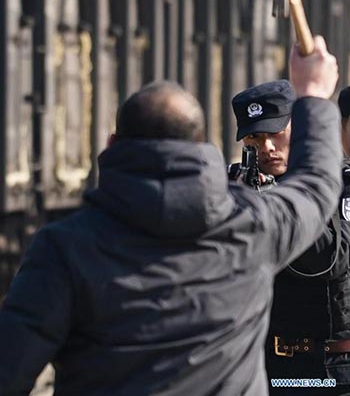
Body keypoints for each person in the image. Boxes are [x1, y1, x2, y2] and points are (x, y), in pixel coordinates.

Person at [0, 37, 342, 396]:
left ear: (113, 145)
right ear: (199, 144)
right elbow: (316, 185)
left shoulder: (62, 249)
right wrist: (314, 95)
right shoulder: (252, 227)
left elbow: (11, 370)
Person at [231, 41, 350, 395]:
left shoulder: (339, 183)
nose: (266, 148)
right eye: (255, 138)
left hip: (334, 369)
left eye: (275, 134)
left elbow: (330, 259)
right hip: (271, 366)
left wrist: (279, 200)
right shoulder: (239, 188)